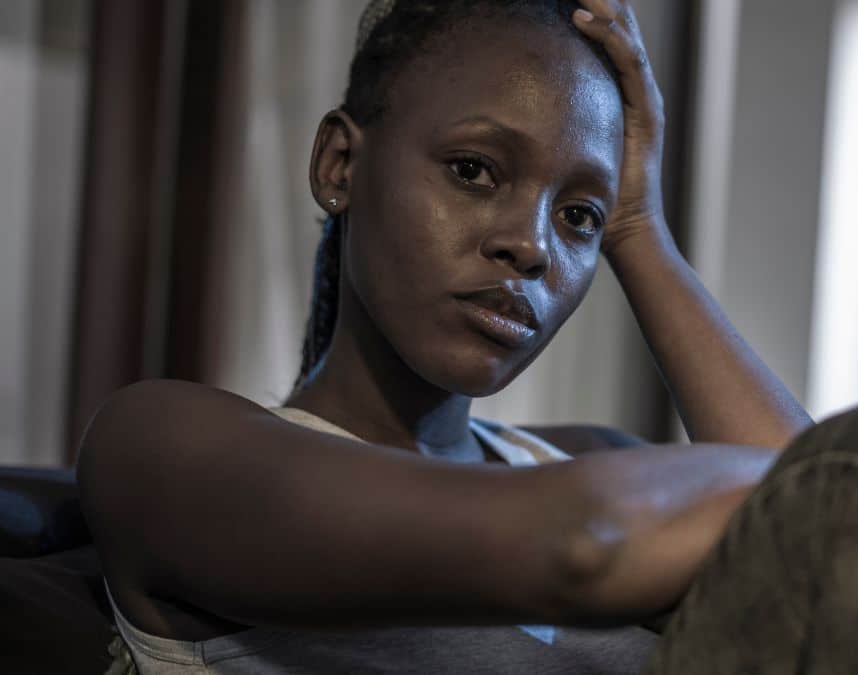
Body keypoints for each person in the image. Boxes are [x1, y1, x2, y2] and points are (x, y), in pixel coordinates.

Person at [78, 0, 812, 672]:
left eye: (579, 216)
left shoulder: (586, 460)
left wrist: (640, 229)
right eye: (474, 170)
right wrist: (816, 483)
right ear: (340, 164)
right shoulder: (163, 451)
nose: (530, 246)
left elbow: (827, 548)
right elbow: (581, 545)